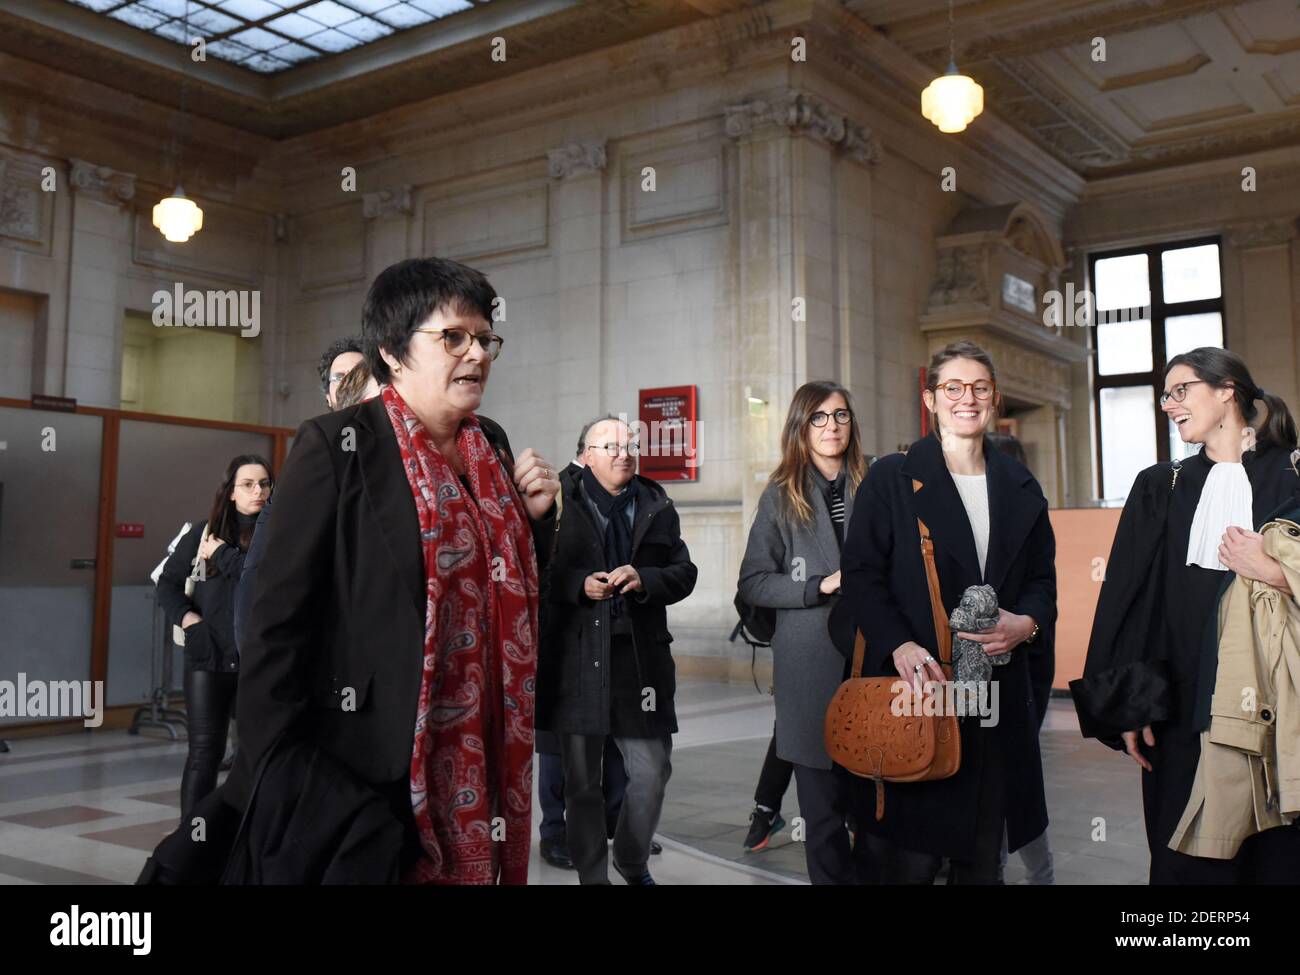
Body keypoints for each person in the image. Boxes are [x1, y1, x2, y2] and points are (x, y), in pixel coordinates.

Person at [226, 257, 561, 885]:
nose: (477, 353)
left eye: (485, 339)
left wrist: (536, 521)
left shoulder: (489, 443)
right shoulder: (337, 444)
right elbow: (274, 616)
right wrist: (278, 766)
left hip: (485, 747)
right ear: (393, 350)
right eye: (453, 337)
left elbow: (501, 589)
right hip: (368, 757)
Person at [1072, 346, 1300, 884]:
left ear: (1227, 391)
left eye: (1181, 391)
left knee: (1278, 857)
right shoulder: (1161, 485)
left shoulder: (1292, 475)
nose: (1169, 405)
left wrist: (1274, 570)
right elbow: (1130, 600)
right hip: (1180, 710)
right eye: (1165, 395)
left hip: (1279, 708)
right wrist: (1130, 704)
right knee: (1187, 865)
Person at [840, 340, 1057, 884]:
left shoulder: (1020, 485)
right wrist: (901, 645)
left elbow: (1041, 581)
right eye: (953, 388)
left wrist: (1026, 623)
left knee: (983, 860)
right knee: (903, 861)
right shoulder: (891, 477)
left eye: (979, 388)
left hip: (994, 701)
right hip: (918, 691)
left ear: (994, 399)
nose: (968, 398)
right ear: (931, 399)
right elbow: (862, 576)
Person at [537, 414, 698, 884]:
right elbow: (531, 574)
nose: (622, 452)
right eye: (609, 446)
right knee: (581, 784)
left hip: (638, 662)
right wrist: (575, 585)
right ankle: (593, 877)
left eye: (628, 444)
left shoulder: (656, 502)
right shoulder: (556, 501)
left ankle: (631, 859)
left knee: (651, 771)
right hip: (576, 660)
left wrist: (644, 578)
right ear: (586, 455)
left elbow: (684, 573)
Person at [737, 380, 868, 882]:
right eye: (818, 417)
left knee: (879, 809)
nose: (831, 426)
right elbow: (753, 581)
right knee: (824, 815)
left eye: (840, 416)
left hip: (873, 661)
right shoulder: (781, 495)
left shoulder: (875, 482)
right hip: (809, 668)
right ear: (801, 426)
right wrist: (819, 585)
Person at [156, 454, 273, 823]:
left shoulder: (279, 535)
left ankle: (242, 838)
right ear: (231, 492)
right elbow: (168, 584)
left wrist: (223, 556)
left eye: (265, 484)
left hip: (258, 662)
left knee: (256, 754)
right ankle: (190, 841)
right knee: (204, 753)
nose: (259, 491)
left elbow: (263, 586)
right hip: (209, 658)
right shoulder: (203, 533)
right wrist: (189, 621)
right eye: (248, 484)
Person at [232, 336, 367, 651]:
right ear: (327, 395)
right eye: (340, 377)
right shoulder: (315, 451)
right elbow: (262, 573)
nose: (352, 384)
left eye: (362, 374)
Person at [987, 432, 1055, 884]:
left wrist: (1024, 628)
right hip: (992, 684)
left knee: (1013, 789)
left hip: (1016, 680)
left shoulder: (1027, 515)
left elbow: (1042, 605)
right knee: (1001, 791)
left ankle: (1032, 874)